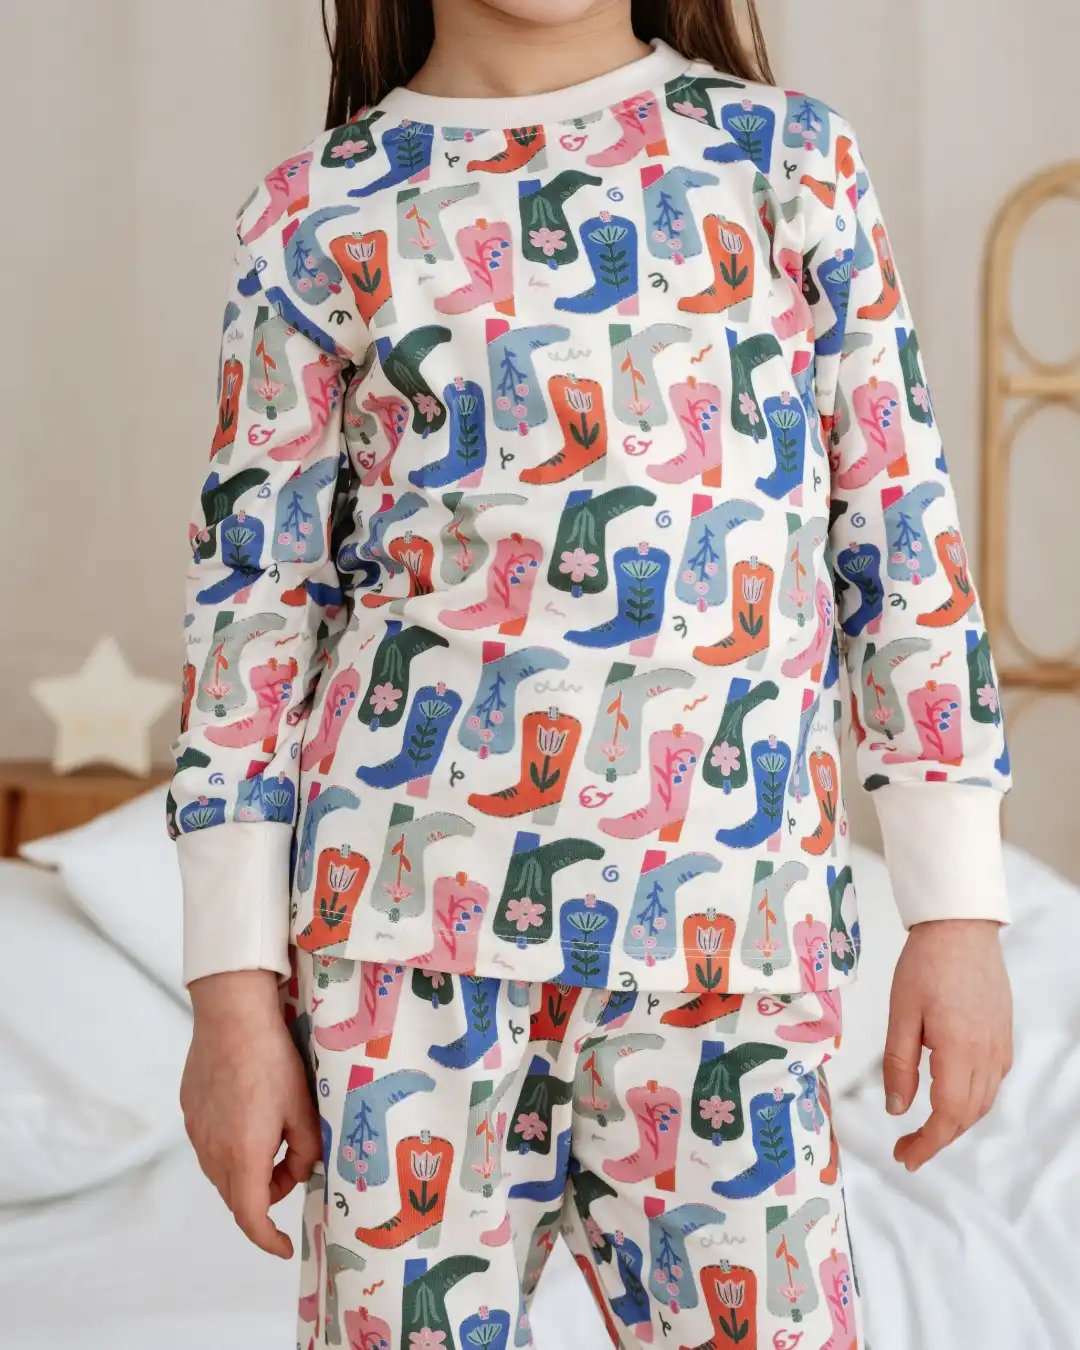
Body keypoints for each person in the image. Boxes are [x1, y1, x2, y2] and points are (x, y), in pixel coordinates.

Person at [170, 1, 1015, 1344]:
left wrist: (957, 912)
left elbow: (900, 543)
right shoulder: (318, 212)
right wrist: (229, 992)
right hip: (400, 956)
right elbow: (253, 613)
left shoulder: (787, 163)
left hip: (729, 942)